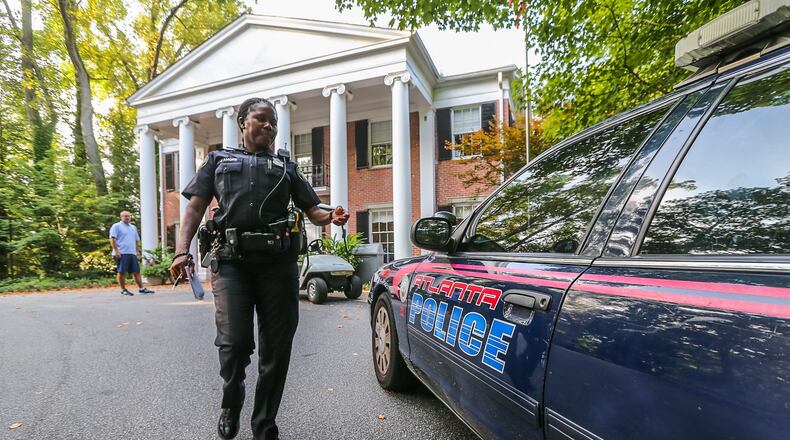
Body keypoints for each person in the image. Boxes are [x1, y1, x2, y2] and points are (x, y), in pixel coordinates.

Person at [169, 97, 349, 440]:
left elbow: (313, 210)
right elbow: (194, 208)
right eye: (262, 119)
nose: (269, 126)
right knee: (234, 343)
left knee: (277, 349)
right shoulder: (218, 161)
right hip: (232, 264)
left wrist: (331, 217)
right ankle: (231, 399)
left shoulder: (285, 166)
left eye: (274, 122)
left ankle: (264, 425)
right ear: (243, 122)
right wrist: (181, 252)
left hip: (278, 266)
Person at [110, 211, 155, 296]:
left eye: (129, 216)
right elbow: (112, 239)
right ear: (121, 217)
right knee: (122, 272)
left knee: (136, 271)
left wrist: (137, 251)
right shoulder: (116, 226)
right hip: (121, 253)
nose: (127, 217)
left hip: (132, 253)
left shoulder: (133, 227)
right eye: (125, 216)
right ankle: (123, 289)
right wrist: (116, 251)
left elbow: (136, 240)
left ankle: (141, 289)